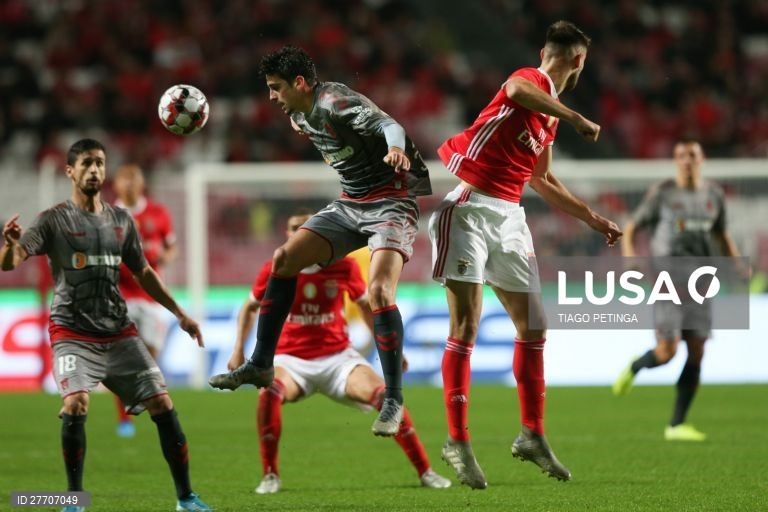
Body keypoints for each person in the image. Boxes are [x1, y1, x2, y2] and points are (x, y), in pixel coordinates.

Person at [428, 21, 622, 489]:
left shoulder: (547, 114)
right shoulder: (531, 81)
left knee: (534, 325)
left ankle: (532, 434)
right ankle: (457, 440)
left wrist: (592, 218)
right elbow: (515, 88)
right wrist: (576, 117)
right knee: (466, 327)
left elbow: (541, 179)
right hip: (469, 209)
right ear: (579, 62)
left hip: (509, 216)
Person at [209, 46, 432, 437]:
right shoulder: (299, 115)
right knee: (283, 260)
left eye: (276, 88)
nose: (271, 97)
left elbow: (389, 125)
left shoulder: (335, 101)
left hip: (391, 204)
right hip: (349, 204)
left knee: (379, 290)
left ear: (300, 83)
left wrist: (395, 149)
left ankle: (393, 398)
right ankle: (262, 362)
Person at [0, 139, 212, 512]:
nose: (95, 169)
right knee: (77, 403)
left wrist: (180, 312)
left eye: (99, 163)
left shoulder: (121, 220)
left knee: (162, 403)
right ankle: (73, 501)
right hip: (72, 333)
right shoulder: (53, 219)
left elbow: (144, 272)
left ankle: (186, 499)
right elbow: (11, 260)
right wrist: (9, 246)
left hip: (118, 331)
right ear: (71, 171)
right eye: (86, 163)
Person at [227, 209, 450, 493]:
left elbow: (367, 307)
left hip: (338, 359)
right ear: (287, 235)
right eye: (294, 229)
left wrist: (392, 353)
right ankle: (270, 475)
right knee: (268, 393)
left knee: (385, 397)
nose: (298, 235)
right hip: (291, 361)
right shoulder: (277, 267)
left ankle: (426, 471)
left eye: (304, 229)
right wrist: (237, 351)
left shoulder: (342, 267)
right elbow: (249, 307)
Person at [612, 138, 744, 441]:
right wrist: (630, 258)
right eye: (682, 155)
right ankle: (636, 366)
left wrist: (737, 262)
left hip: (701, 281)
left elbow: (721, 232)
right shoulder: (663, 193)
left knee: (697, 351)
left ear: (702, 159)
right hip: (669, 279)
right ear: (675, 161)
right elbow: (632, 226)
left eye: (692, 155)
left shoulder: (714, 194)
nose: (687, 160)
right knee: (667, 352)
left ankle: (677, 425)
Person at [112, 163, 178, 438]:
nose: (128, 184)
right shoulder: (107, 215)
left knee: (150, 356)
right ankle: (124, 418)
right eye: (124, 179)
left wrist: (165, 256)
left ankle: (139, 398)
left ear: (141, 184)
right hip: (120, 294)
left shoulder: (157, 213)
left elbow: (171, 246)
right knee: (125, 357)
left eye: (133, 179)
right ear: (116, 185)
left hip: (151, 296)